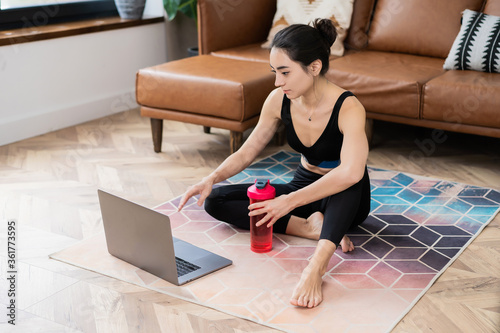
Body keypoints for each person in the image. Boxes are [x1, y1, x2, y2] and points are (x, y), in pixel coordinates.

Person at [178, 18, 371, 308]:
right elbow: (246, 153)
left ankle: (316, 267)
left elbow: (352, 172)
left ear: (314, 67)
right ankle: (309, 228)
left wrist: (288, 202)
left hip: (345, 196)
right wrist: (211, 178)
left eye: (285, 72)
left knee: (347, 179)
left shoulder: (349, 107)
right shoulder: (278, 100)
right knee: (217, 200)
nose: (277, 82)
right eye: (274, 72)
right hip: (303, 183)